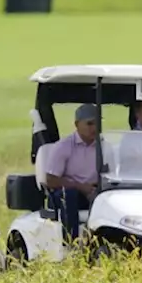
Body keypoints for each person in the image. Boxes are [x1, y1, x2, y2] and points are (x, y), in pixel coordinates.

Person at [45, 103, 111, 244]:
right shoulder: (64, 147)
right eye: (90, 124)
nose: (95, 128)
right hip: (70, 192)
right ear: (77, 124)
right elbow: (51, 180)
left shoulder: (105, 146)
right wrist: (81, 186)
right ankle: (71, 242)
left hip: (95, 189)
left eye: (97, 123)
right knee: (69, 194)